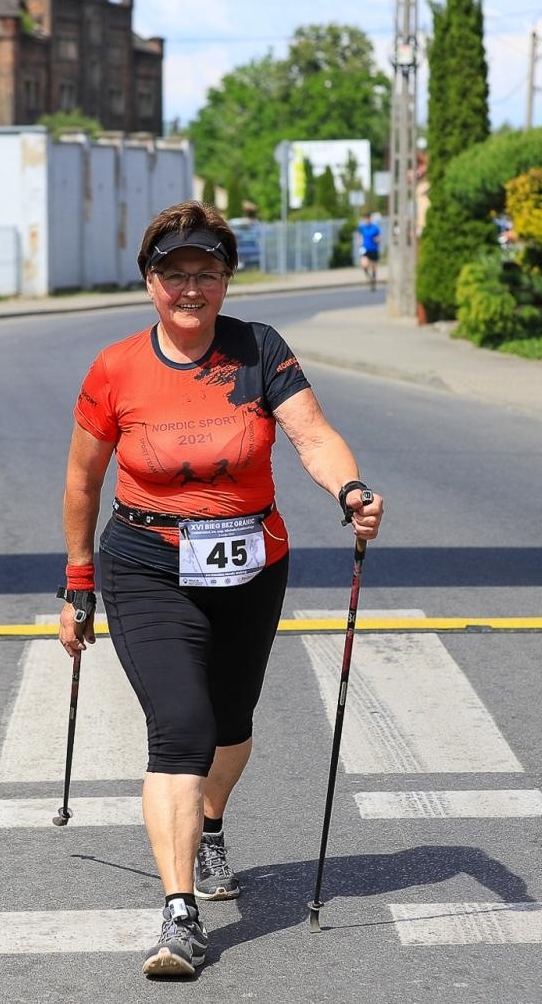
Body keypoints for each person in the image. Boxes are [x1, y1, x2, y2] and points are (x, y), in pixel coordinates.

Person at [58, 200, 384, 979]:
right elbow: (82, 479)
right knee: (182, 727)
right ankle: (180, 917)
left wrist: (350, 490)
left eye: (207, 274)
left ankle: (209, 821)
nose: (191, 290)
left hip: (249, 566)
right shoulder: (115, 369)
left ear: (228, 282)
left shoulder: (259, 349)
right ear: (150, 283)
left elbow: (312, 434)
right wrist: (77, 584)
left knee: (231, 725)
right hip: (145, 564)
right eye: (175, 275)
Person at [356, 212, 381, 289]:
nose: (367, 220)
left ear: (371, 219)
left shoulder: (375, 228)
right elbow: (359, 236)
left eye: (369, 219)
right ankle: (368, 276)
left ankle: (373, 279)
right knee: (364, 264)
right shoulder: (362, 227)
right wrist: (359, 242)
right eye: (366, 219)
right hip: (365, 248)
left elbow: (379, 238)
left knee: (373, 266)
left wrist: (377, 240)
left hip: (373, 248)